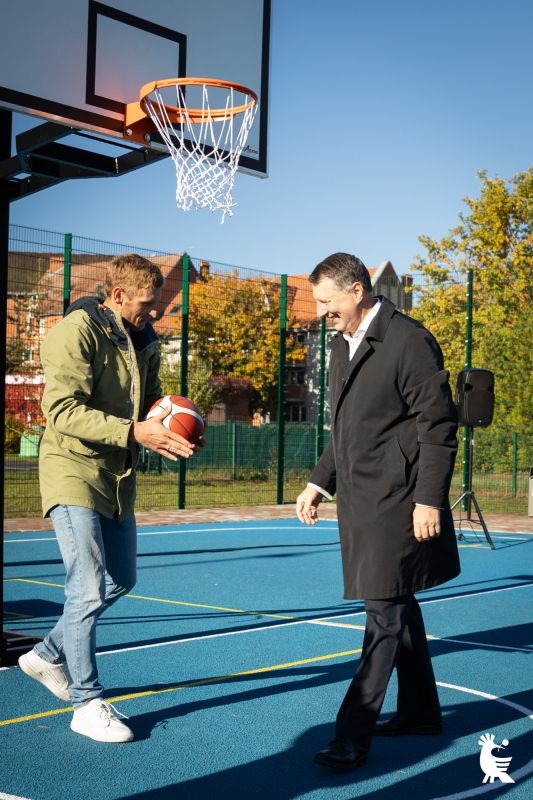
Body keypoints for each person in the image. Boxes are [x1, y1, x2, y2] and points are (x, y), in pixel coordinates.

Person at [18, 253, 205, 743]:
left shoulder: (144, 339)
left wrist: (172, 426)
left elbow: (152, 404)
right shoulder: (75, 331)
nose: (156, 313)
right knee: (87, 583)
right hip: (71, 469)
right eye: (148, 303)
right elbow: (61, 411)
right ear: (118, 295)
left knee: (120, 579)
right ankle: (86, 702)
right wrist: (135, 431)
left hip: (117, 475)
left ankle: (45, 655)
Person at [296, 253, 460, 771]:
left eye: (327, 301)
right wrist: (318, 482)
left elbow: (438, 426)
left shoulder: (409, 339)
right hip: (362, 501)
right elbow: (347, 428)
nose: (322, 312)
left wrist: (429, 498)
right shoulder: (345, 343)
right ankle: (420, 713)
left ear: (358, 290)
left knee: (383, 615)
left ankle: (351, 737)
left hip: (399, 501)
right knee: (398, 605)